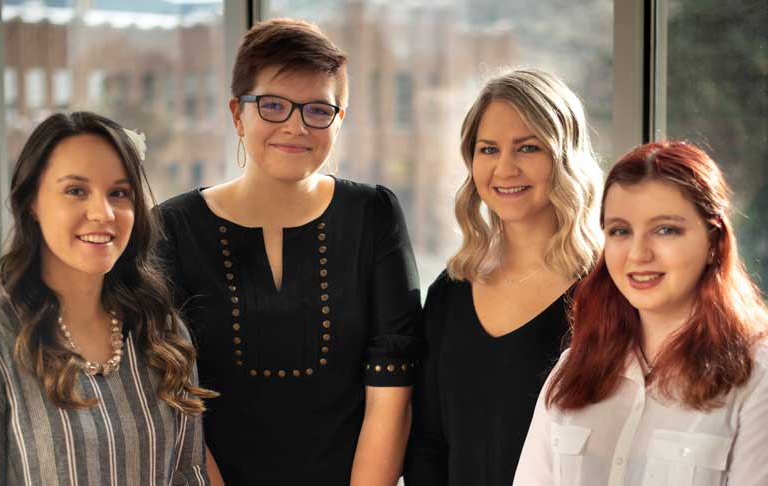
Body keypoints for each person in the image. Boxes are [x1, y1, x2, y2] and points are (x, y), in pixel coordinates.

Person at [156, 18, 423, 485]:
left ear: (339, 121)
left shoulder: (374, 214)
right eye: (274, 106)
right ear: (237, 114)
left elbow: (393, 386)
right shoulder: (171, 228)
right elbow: (171, 397)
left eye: (318, 110)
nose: (296, 127)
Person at [514, 141, 768, 486]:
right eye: (620, 231)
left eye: (665, 230)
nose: (638, 254)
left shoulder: (757, 378)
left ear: (714, 242)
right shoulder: (573, 370)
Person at [0, 111, 216, 485]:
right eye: (76, 190)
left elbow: (188, 475)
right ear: (32, 201)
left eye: (119, 193)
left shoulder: (162, 331)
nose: (103, 213)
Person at [403, 69, 603, 485]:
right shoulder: (449, 293)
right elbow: (427, 444)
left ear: (563, 157)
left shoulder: (606, 291)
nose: (505, 168)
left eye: (528, 147)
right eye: (489, 149)